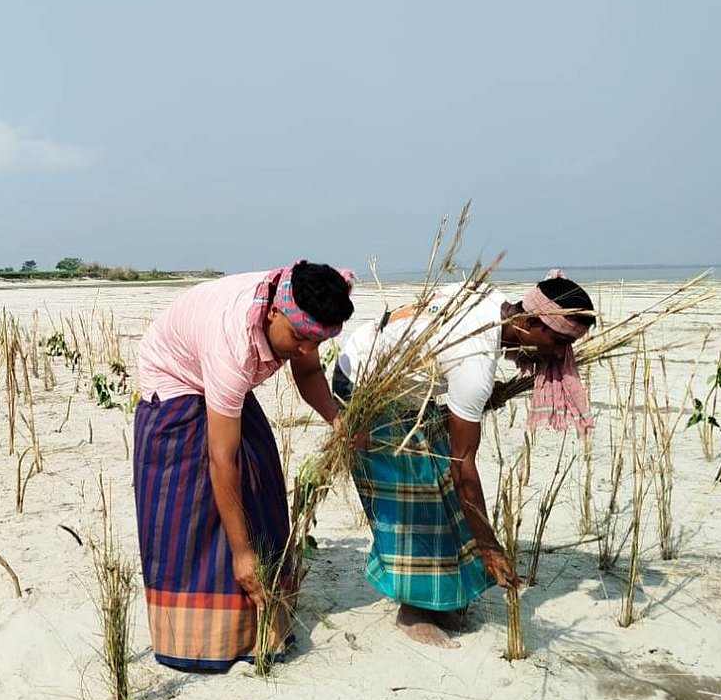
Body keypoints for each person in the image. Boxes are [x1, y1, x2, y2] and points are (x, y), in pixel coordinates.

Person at [331, 273, 596, 649]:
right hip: (361, 382)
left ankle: (438, 597)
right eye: (558, 342)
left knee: (440, 488)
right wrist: (489, 546)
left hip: (402, 385)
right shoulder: (475, 365)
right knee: (414, 497)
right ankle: (414, 611)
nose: (560, 356)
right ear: (529, 323)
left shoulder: (491, 298)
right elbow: (463, 464)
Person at [133, 260, 355, 671]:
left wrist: (338, 422)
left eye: (316, 340)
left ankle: (263, 628)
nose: (307, 348)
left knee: (260, 482)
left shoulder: (300, 308)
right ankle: (205, 641)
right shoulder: (231, 346)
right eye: (300, 337)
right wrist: (241, 555)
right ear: (274, 313)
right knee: (197, 504)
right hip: (175, 380)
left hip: (214, 373)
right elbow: (221, 459)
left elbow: (308, 372)